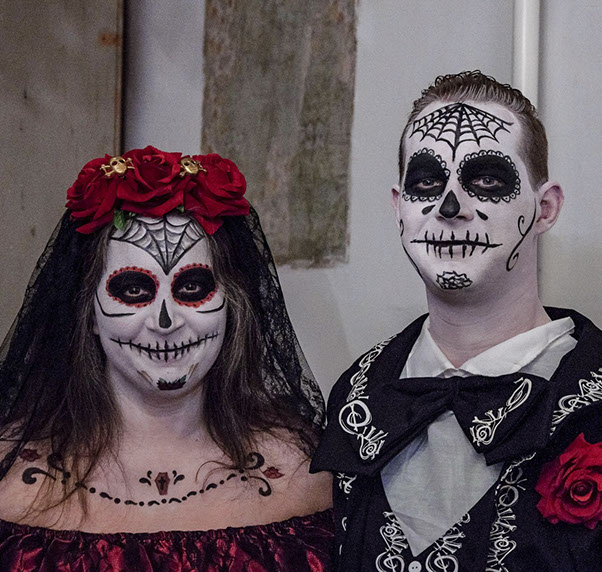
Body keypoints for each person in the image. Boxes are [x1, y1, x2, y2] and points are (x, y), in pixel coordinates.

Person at [312, 71, 602, 571]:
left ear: (545, 208)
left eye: (487, 181)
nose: (449, 207)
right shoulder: (357, 393)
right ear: (400, 209)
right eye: (427, 181)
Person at [0, 147, 333, 570]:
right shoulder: (9, 479)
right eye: (133, 290)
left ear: (232, 305)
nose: (165, 321)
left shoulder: (305, 471)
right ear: (88, 314)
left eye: (192, 287)